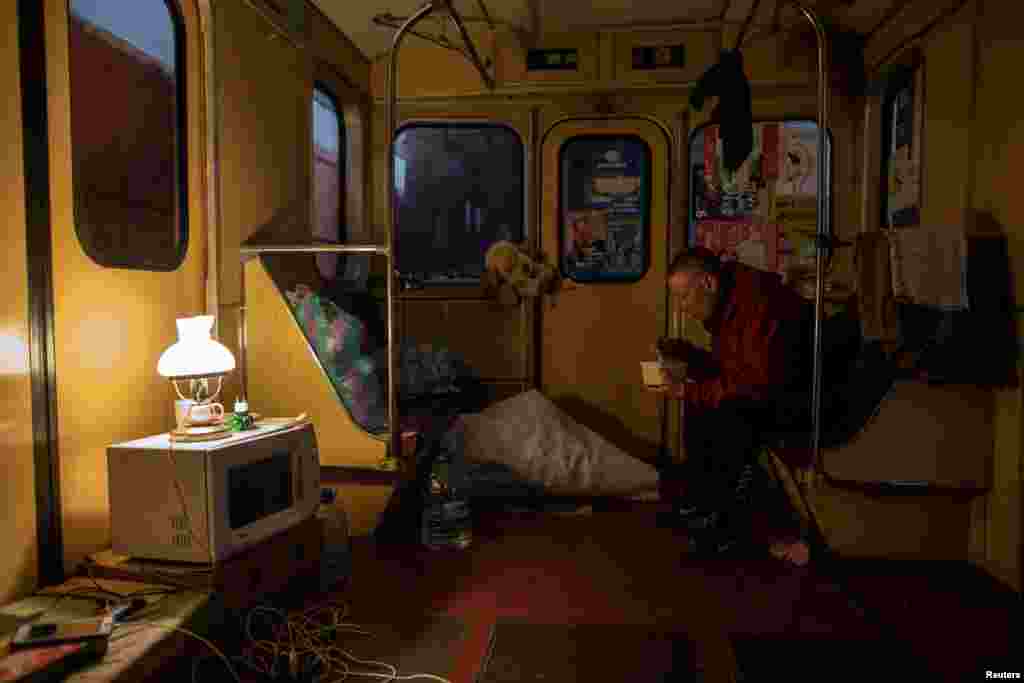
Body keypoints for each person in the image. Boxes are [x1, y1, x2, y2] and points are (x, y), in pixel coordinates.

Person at [651, 247, 815, 566]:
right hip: (766, 391)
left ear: (708, 283)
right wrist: (687, 355)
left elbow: (756, 384)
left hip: (793, 400)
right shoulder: (731, 304)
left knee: (715, 411)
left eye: (685, 297)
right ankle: (706, 510)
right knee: (702, 403)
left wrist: (689, 390)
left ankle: (717, 521)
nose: (683, 308)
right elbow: (733, 368)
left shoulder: (756, 305)